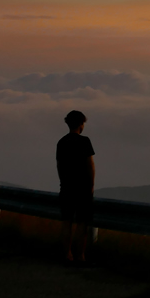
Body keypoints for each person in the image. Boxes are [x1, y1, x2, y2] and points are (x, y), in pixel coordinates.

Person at [57, 110, 95, 265]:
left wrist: (63, 182)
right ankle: (80, 257)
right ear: (81, 124)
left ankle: (67, 255)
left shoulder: (61, 142)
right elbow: (90, 165)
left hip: (66, 187)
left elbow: (59, 166)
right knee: (81, 224)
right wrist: (91, 185)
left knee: (66, 222)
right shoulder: (84, 141)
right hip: (82, 189)